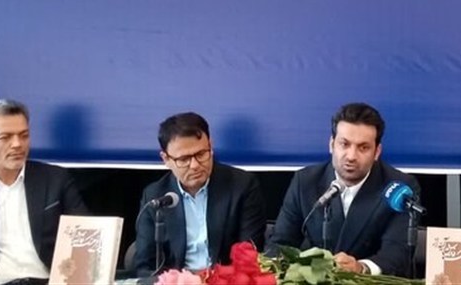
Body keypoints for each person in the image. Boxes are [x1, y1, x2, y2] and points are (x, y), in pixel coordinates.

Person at [266, 102, 420, 277]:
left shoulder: (399, 187)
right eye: (344, 144)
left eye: (363, 148)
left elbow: (397, 253)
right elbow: (280, 244)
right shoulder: (305, 182)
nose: (351, 156)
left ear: (377, 152)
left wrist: (361, 268)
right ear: (332, 145)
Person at [0, 99, 89, 285]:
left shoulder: (55, 178)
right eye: (5, 137)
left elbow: (86, 231)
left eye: (24, 136)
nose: (17, 144)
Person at [133, 112, 266, 275]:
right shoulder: (155, 197)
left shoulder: (242, 186)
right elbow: (146, 266)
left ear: (211, 145)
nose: (195, 165)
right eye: (184, 159)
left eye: (201, 154)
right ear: (166, 159)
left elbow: (249, 257)